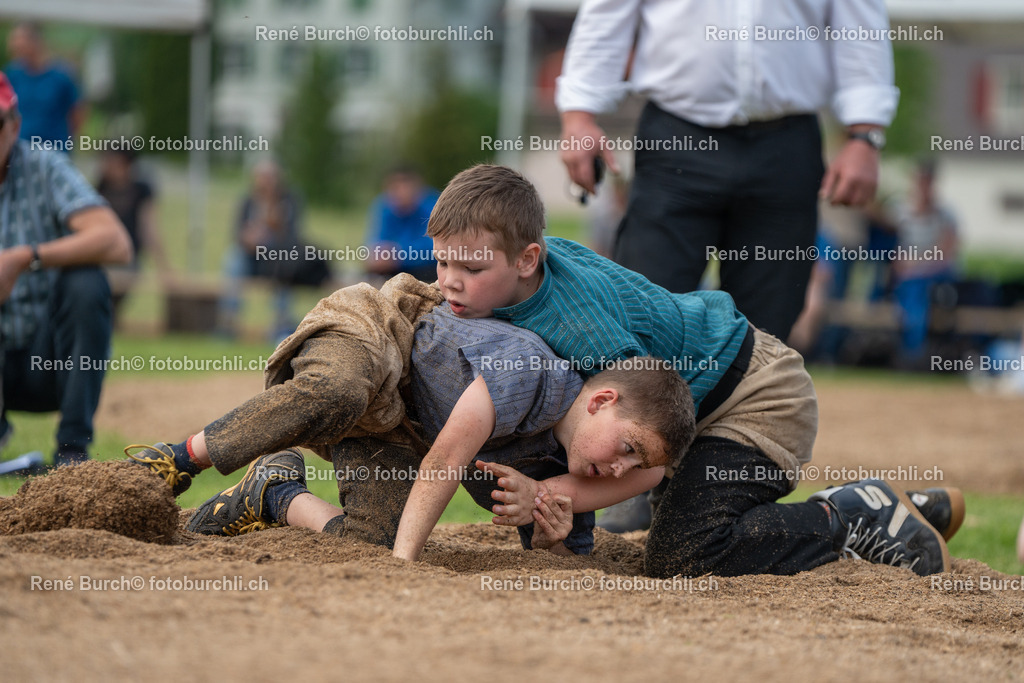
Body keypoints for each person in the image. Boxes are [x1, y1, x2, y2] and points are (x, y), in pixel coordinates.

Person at [556, 1, 899, 532]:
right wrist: (579, 112)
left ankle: (722, 491)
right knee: (636, 318)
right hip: (676, 133)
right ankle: (621, 492)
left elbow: (860, 21)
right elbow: (608, 11)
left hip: (786, 144)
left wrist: (865, 134)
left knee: (764, 336)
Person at [0, 73, 133, 469]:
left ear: (14, 125)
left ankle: (72, 453)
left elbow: (116, 242)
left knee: (86, 281)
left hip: (49, 360)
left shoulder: (44, 167)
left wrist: (24, 257)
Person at [219, 160, 303, 341]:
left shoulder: (289, 201)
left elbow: (295, 236)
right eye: (262, 177)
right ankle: (228, 322)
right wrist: (250, 239)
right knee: (233, 259)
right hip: (250, 257)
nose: (265, 182)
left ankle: (281, 322)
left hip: (276, 257)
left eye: (270, 177)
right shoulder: (248, 202)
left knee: (284, 259)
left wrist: (274, 231)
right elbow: (237, 233)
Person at [890, 159, 959, 367]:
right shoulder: (898, 211)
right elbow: (892, 250)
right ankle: (913, 351)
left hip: (935, 275)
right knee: (913, 290)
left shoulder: (945, 215)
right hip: (908, 276)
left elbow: (945, 252)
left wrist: (917, 266)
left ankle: (912, 352)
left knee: (916, 289)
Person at [96, 149, 172, 314]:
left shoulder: (141, 191)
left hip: (128, 258)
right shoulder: (100, 188)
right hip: (99, 257)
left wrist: (164, 268)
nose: (105, 167)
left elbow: (149, 229)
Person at [4, 22, 84, 147]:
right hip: (19, 149)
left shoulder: (62, 75)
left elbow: (77, 113)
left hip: (55, 148)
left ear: (35, 41)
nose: (14, 45)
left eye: (19, 40)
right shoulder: (13, 74)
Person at [364, 165, 439, 282]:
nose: (400, 193)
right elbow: (375, 239)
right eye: (395, 188)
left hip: (424, 268)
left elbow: (437, 246)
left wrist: (399, 254)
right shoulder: (383, 206)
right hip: (392, 268)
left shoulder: (433, 205)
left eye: (405, 187)